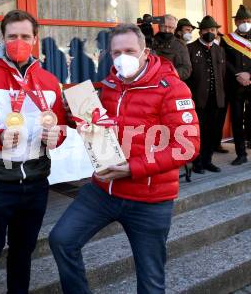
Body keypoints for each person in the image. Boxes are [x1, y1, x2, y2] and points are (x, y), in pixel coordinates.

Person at [49, 23, 200, 294]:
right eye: (116, 52)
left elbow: (186, 146)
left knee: (151, 280)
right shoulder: (108, 85)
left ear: (145, 51)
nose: (122, 57)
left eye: (129, 50)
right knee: (61, 240)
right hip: (103, 190)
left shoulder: (172, 88)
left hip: (149, 199)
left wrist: (132, 168)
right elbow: (100, 126)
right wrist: (76, 116)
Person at [0, 9, 67, 293]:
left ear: (35, 39)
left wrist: (57, 136)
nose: (18, 41)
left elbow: (60, 127)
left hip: (36, 182)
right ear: (3, 37)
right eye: (12, 36)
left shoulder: (48, 80)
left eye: (25, 36)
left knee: (23, 252)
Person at [186, 15, 226, 174]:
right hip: (197, 99)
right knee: (197, 132)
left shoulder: (220, 50)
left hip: (216, 99)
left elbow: (222, 75)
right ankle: (197, 162)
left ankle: (208, 160)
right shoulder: (190, 49)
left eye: (212, 30)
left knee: (212, 132)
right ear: (200, 32)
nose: (209, 32)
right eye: (206, 30)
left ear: (216, 32)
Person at [221, 5, 251, 165]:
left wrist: (249, 75)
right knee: (237, 119)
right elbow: (224, 61)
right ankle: (241, 153)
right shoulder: (227, 39)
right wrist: (238, 75)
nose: (245, 23)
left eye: (247, 20)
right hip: (235, 85)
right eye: (242, 20)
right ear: (236, 22)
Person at [152, 14, 192, 80]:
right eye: (164, 26)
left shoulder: (180, 45)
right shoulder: (150, 41)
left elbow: (186, 70)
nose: (167, 30)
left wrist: (167, 73)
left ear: (175, 29)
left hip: (169, 83)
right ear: (159, 26)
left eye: (170, 27)